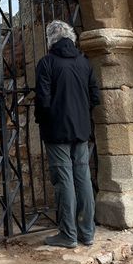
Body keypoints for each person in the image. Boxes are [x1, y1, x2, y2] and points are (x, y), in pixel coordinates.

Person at [34, 20, 100, 249]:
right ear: (71, 38)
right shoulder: (84, 63)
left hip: (57, 130)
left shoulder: (47, 63)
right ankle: (87, 232)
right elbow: (95, 96)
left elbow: (42, 100)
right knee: (83, 178)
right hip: (81, 129)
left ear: (51, 39)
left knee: (64, 179)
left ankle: (68, 234)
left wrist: (43, 121)